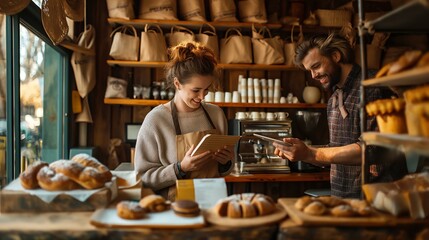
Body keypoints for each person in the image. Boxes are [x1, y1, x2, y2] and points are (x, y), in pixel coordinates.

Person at [273, 33, 407, 198]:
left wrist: (311, 153)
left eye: (316, 66)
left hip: (379, 199)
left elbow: (373, 149)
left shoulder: (371, 85)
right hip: (343, 197)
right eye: (309, 71)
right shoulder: (334, 99)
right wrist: (303, 152)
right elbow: (336, 150)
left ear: (335, 56)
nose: (313, 76)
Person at [134, 41, 234, 200]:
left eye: (206, 89)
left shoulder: (216, 114)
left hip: (212, 203)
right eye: (196, 90)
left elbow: (223, 170)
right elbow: (143, 178)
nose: (202, 97)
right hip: (173, 210)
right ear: (177, 84)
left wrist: (226, 162)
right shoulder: (156, 120)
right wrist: (181, 168)